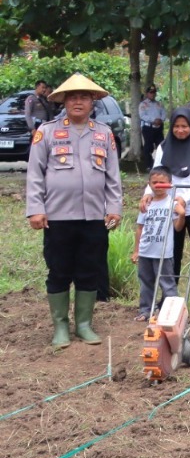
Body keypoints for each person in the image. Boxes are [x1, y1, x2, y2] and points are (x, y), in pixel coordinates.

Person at [26, 74, 124, 349]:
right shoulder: (47, 132)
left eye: (84, 97)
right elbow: (35, 173)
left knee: (89, 270)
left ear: (93, 102)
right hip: (57, 217)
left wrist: (114, 208)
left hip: (93, 217)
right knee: (59, 270)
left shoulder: (103, 133)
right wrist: (36, 209)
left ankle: (83, 324)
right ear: (64, 102)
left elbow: (113, 176)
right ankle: (60, 327)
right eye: (72, 97)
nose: (78, 102)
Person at [150, 108, 190, 279]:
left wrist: (184, 199)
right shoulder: (163, 147)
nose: (180, 130)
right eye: (176, 126)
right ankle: (170, 291)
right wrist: (148, 194)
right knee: (170, 253)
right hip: (170, 207)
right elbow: (156, 174)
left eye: (184, 126)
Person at [133, 165, 185, 321]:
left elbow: (177, 227)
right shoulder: (146, 204)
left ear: (170, 183)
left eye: (162, 182)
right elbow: (140, 228)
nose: (158, 186)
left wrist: (182, 215)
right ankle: (146, 310)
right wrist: (136, 250)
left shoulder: (172, 204)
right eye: (154, 182)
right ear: (149, 184)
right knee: (146, 282)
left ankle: (173, 314)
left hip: (163, 253)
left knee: (167, 283)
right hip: (145, 250)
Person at [138, 85, 167, 169]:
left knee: (161, 146)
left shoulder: (159, 104)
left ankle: (161, 164)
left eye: (154, 92)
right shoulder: (143, 104)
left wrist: (161, 120)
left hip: (158, 128)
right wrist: (153, 120)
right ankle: (149, 165)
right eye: (151, 92)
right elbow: (142, 115)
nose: (152, 94)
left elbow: (164, 113)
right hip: (148, 128)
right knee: (148, 147)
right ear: (147, 94)